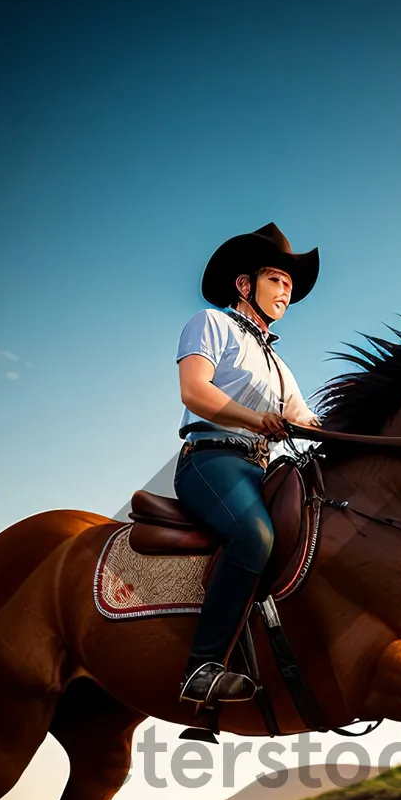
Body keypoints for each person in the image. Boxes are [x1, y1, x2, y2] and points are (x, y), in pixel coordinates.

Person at [174, 222, 321, 706]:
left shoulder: (281, 366)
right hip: (211, 460)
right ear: (244, 284)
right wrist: (259, 420)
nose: (287, 292)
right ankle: (202, 668)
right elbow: (195, 393)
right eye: (278, 279)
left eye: (290, 285)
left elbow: (308, 423)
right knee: (254, 534)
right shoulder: (210, 324)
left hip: (261, 470)